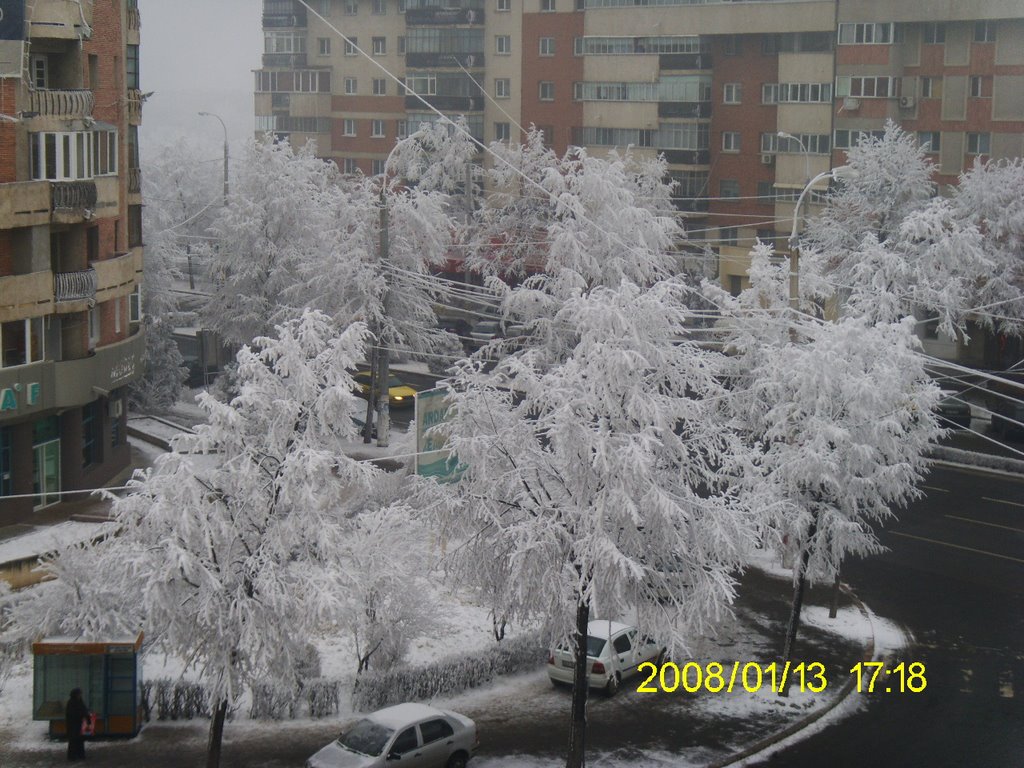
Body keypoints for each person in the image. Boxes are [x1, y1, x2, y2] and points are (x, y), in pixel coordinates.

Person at [65, 688, 89, 761]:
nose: (80, 695)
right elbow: (72, 714)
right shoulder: (72, 702)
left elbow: (84, 710)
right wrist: (83, 715)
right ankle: (72, 756)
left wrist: (87, 717)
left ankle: (80, 755)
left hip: (79, 724)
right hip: (73, 725)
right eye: (79, 694)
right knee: (73, 740)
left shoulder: (79, 701)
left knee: (80, 740)